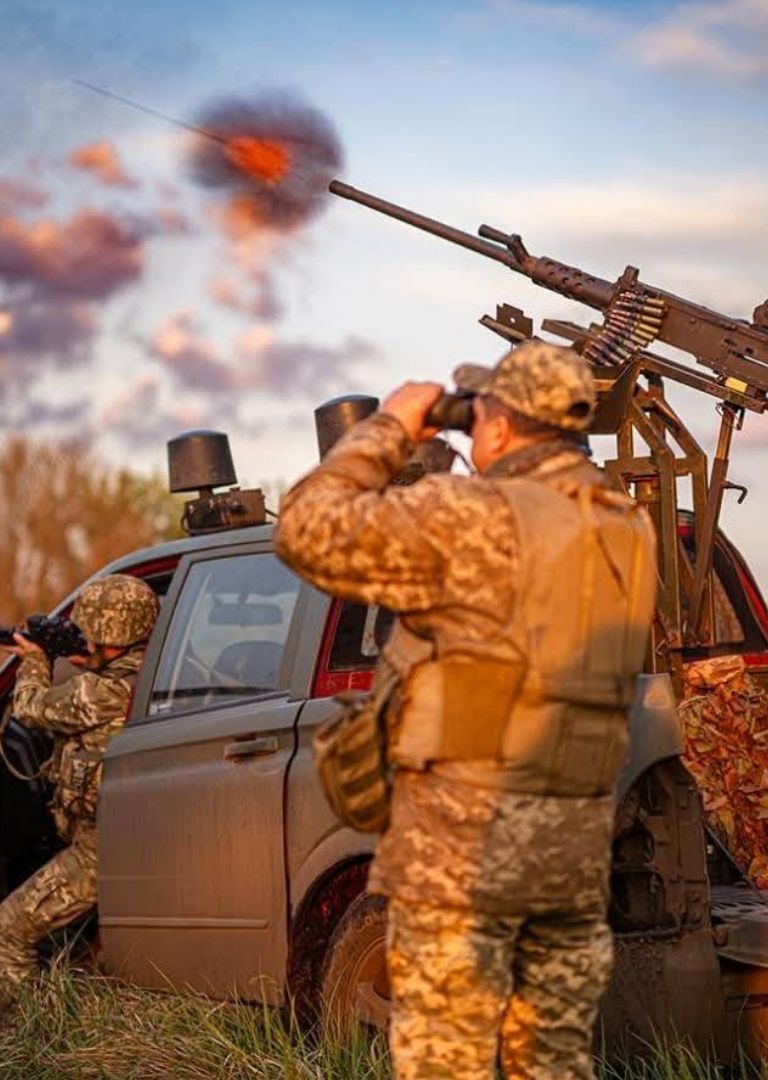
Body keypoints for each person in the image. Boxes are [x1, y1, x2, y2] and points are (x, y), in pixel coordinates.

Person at [275, 341, 657, 1080]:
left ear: (502, 428)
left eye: (478, 416)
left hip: (464, 849)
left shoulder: (470, 514)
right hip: (570, 851)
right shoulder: (624, 529)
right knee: (551, 1063)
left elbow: (305, 529)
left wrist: (392, 426)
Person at [0, 574, 160, 1013]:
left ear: (105, 630)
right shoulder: (155, 672)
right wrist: (87, 659)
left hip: (101, 850)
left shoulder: (104, 691)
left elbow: (29, 707)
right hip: (138, 839)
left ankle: (29, 1032)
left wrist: (35, 660)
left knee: (3, 932)